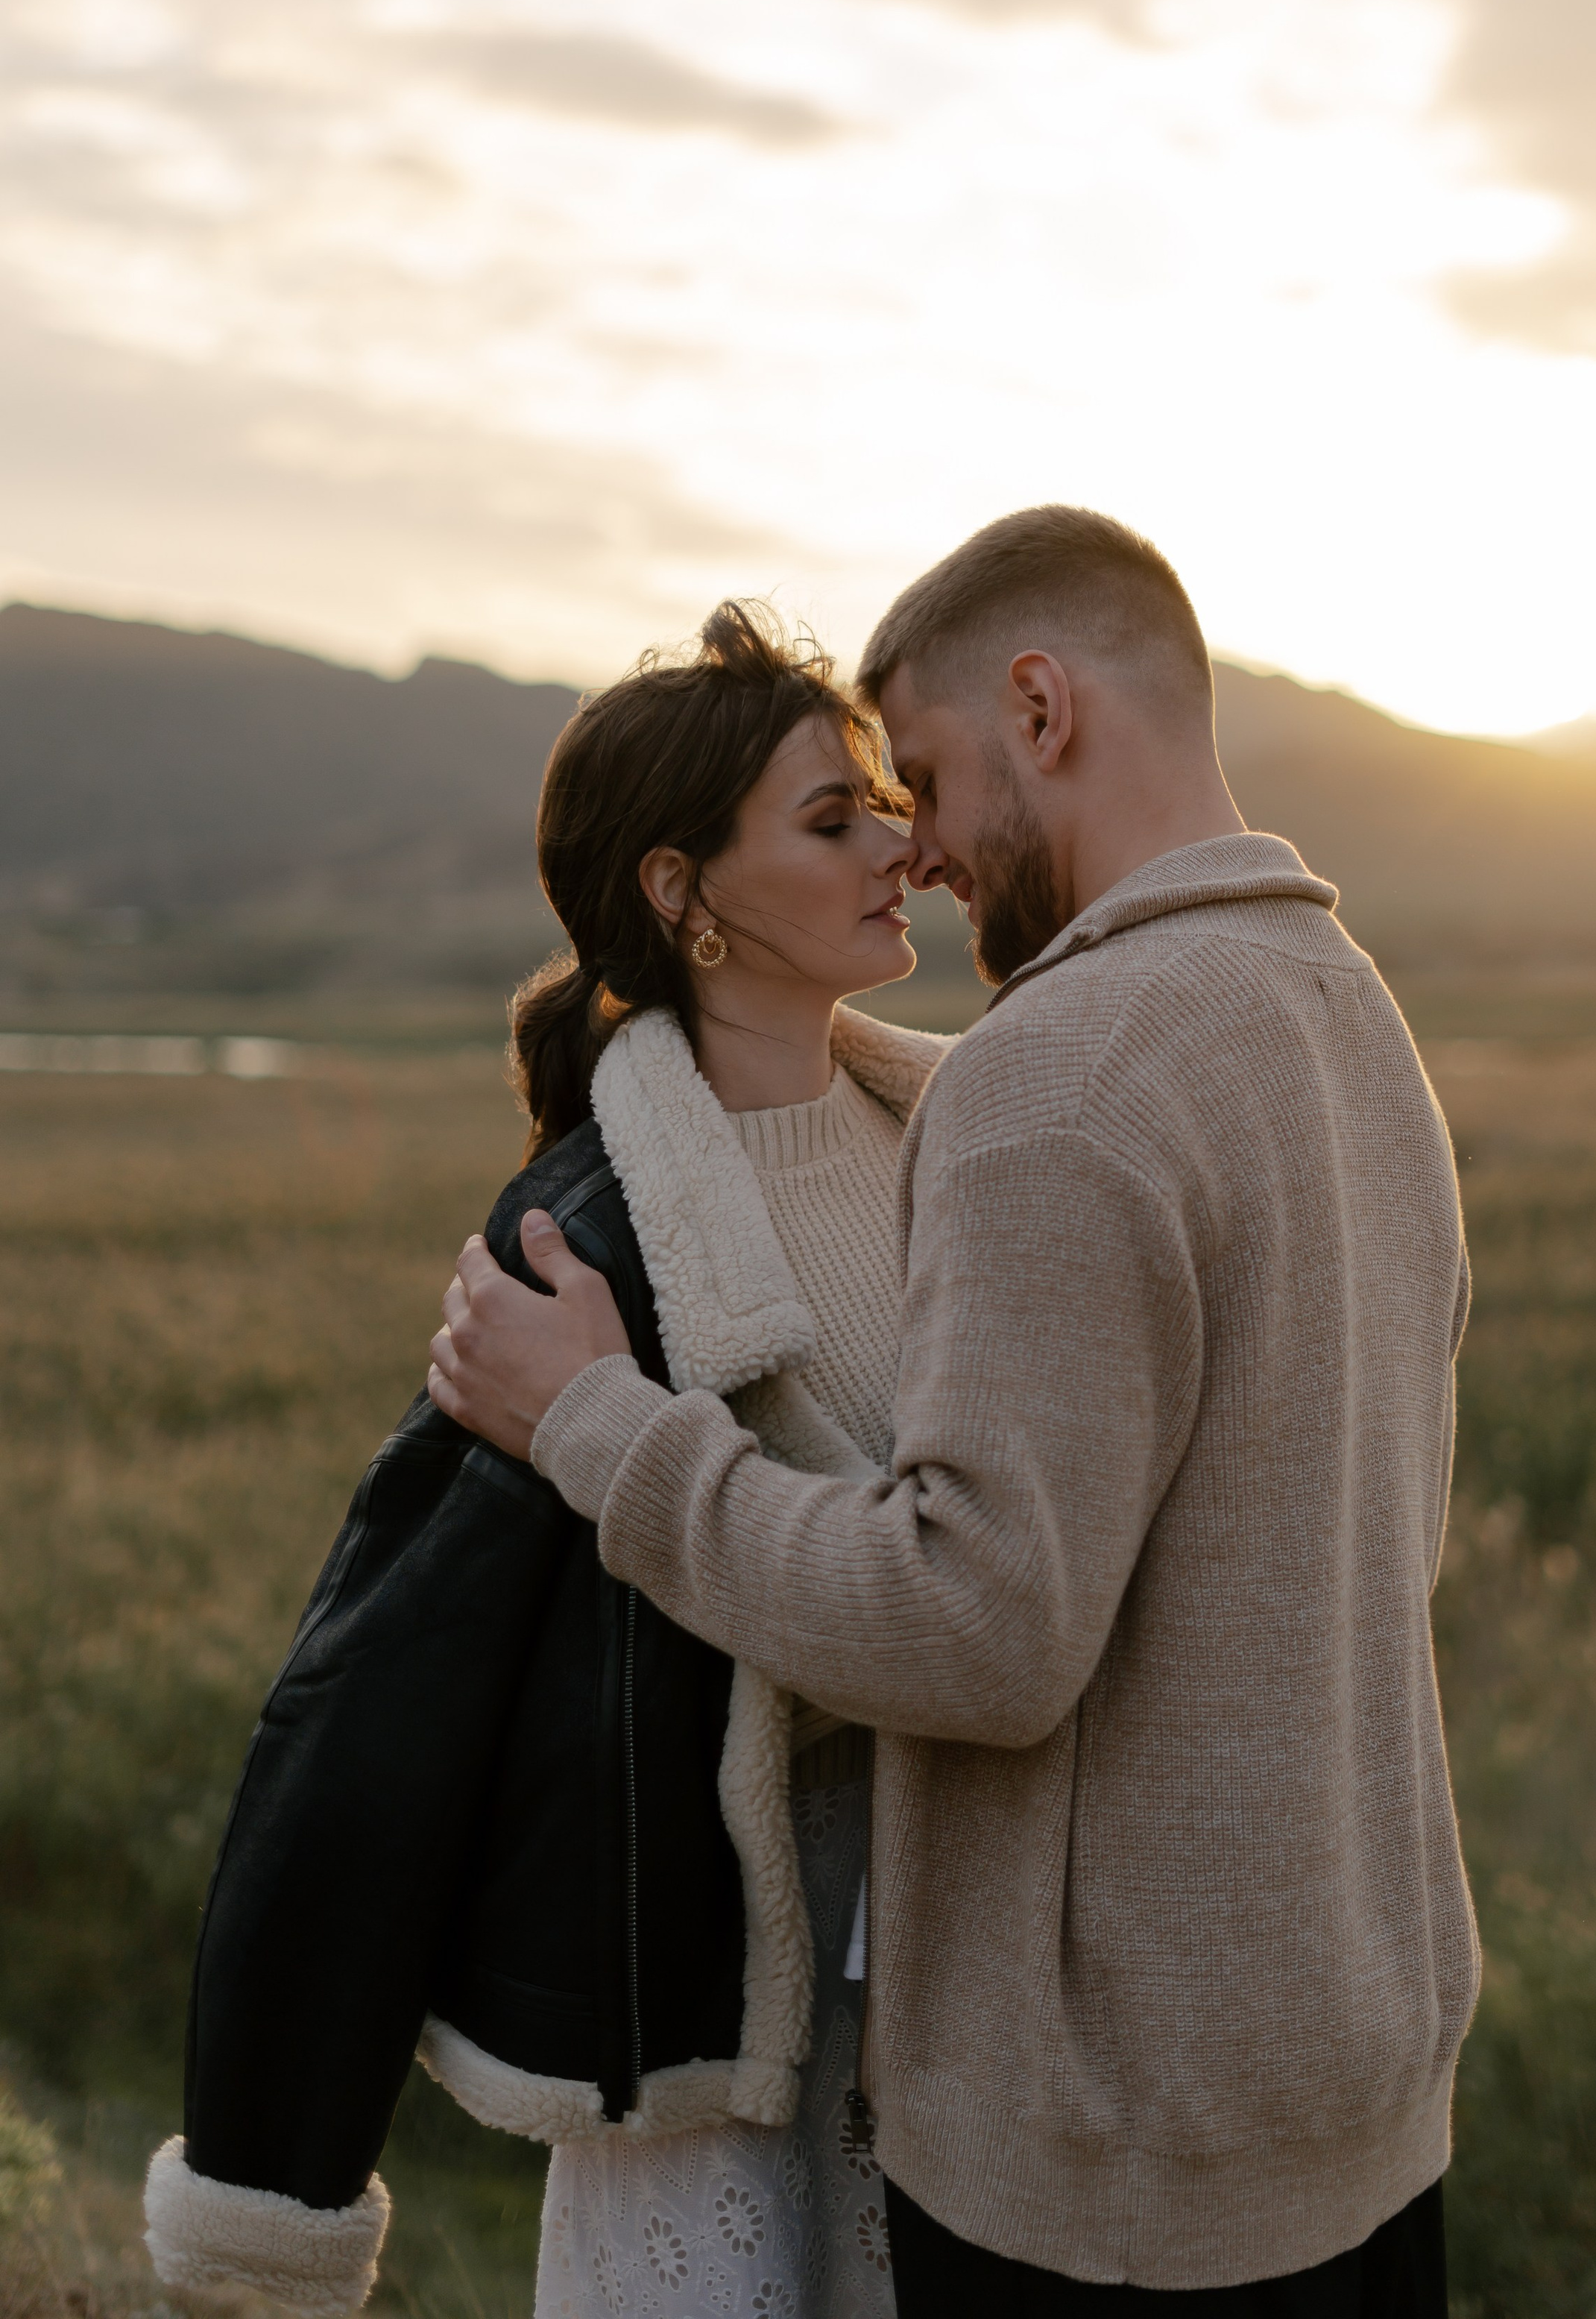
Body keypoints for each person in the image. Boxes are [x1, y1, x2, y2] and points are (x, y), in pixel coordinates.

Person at [429, 506, 1480, 2315]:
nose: (913, 850)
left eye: (916, 776)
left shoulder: (1050, 1073)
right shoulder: (1346, 1008)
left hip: (1110, 2157)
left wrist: (602, 1428)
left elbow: (971, 1627)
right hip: (1358, 2086)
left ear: (1041, 709)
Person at [145, 602, 943, 2319]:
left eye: (884, 803)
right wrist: (267, 2174)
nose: (902, 845)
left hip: (963, 1976)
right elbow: (385, 1690)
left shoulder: (961, 1149)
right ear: (680, 891)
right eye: (833, 821)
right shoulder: (586, 1243)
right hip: (709, 1998)